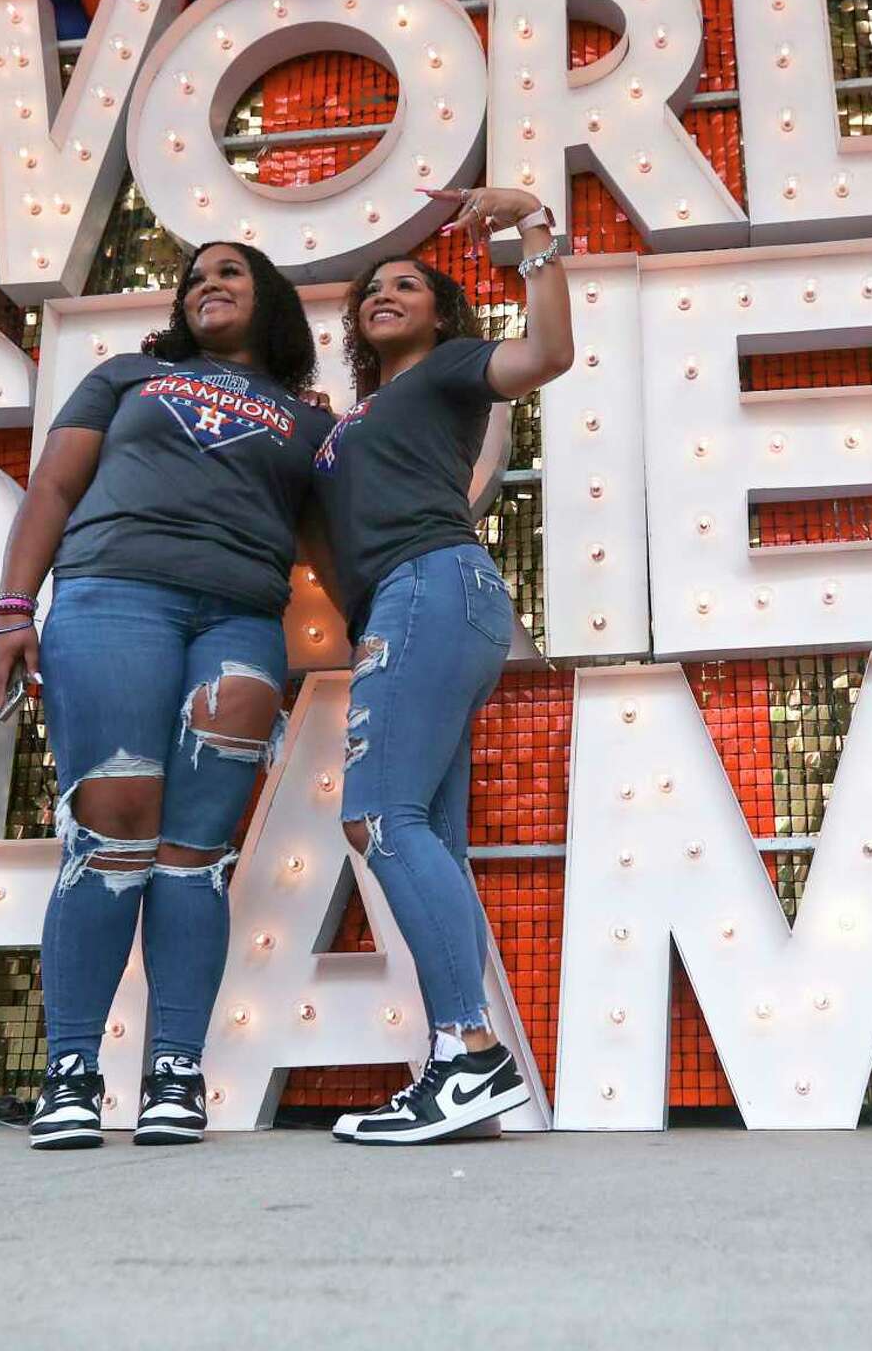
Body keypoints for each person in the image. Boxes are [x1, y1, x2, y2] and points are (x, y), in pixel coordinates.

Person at [0, 241, 332, 1150]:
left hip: (243, 623)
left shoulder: (305, 418)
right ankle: (71, 1074)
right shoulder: (128, 375)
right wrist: (12, 609)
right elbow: (53, 487)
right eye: (194, 277)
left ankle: (175, 1070)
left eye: (230, 272)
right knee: (112, 827)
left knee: (196, 853)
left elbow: (344, 535)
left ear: (274, 302)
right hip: (112, 595)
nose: (206, 284)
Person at [311, 185, 575, 1145]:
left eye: (408, 284)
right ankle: (458, 1063)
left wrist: (533, 230)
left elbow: (549, 353)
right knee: (426, 837)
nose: (386, 293)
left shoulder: (455, 370)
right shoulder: (362, 415)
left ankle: (468, 1058)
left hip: (433, 584)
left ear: (440, 311)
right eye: (373, 288)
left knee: (377, 817)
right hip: (411, 600)